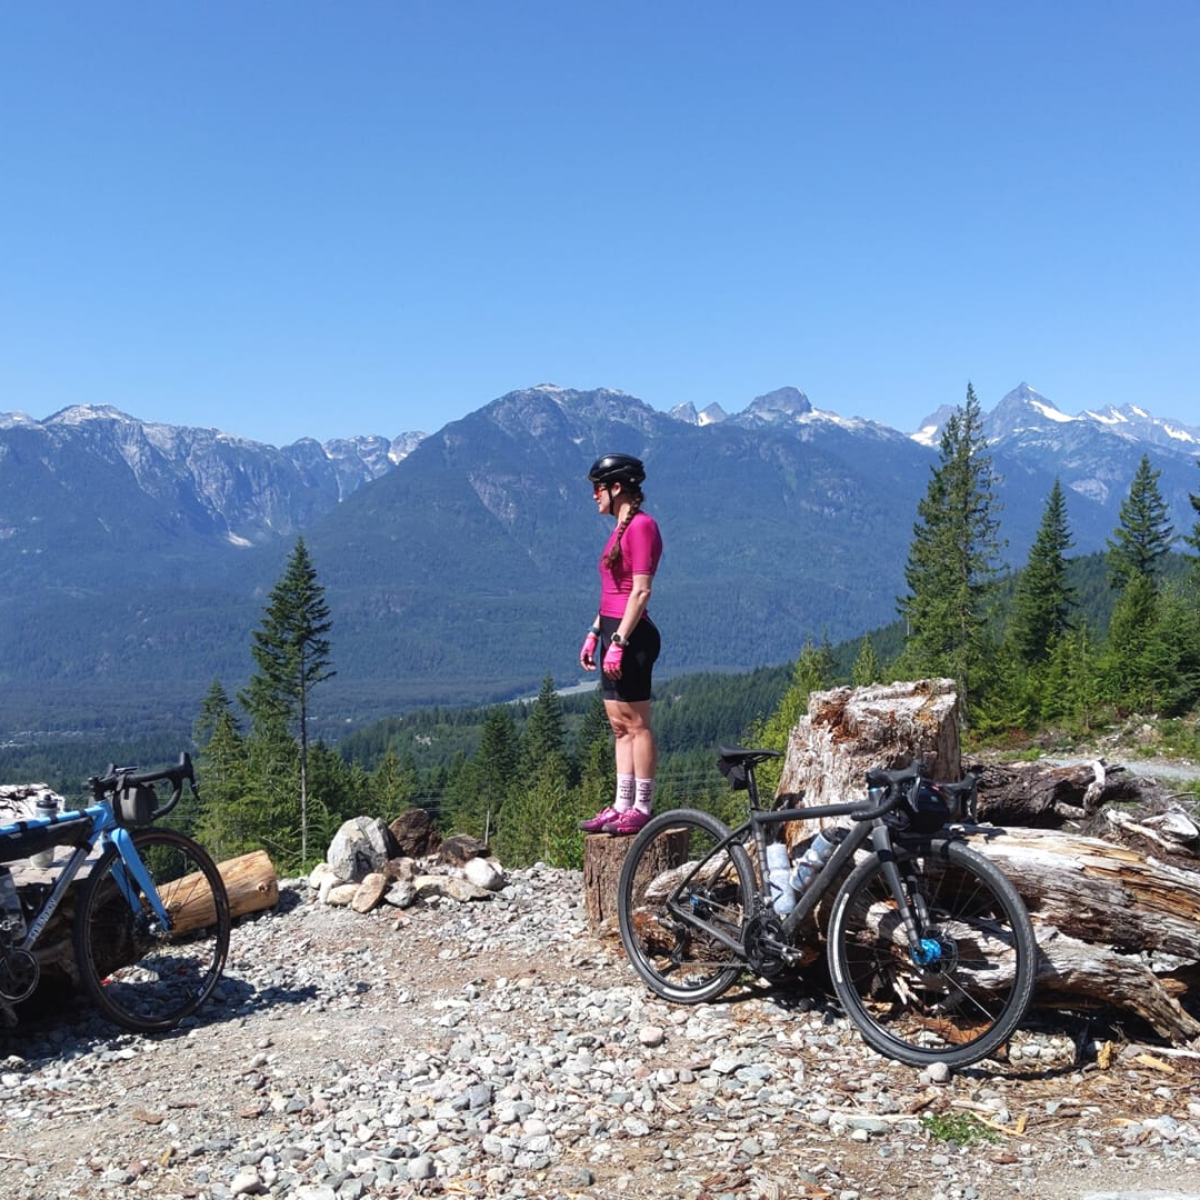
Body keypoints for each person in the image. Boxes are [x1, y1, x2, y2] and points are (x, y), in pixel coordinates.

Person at [577, 453, 663, 836]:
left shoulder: (642, 527)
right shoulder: (618, 529)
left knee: (637, 724)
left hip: (631, 635)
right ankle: (621, 804)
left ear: (617, 487)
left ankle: (641, 807)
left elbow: (640, 591)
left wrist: (618, 641)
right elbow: (612, 591)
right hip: (613, 631)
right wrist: (594, 632)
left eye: (598, 487)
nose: (594, 496)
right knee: (618, 726)